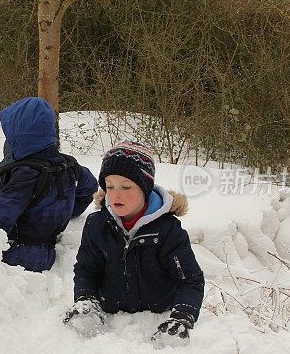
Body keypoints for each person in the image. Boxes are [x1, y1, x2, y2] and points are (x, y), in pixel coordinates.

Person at [63, 141, 205, 341]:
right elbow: (87, 269)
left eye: (126, 186)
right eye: (109, 187)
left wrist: (183, 315)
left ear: (145, 188)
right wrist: (85, 298)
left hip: (158, 318)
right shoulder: (97, 225)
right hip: (110, 326)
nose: (116, 194)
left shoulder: (167, 230)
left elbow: (190, 279)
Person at [0, 97, 98, 272]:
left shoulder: (26, 173)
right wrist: (69, 210)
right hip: (47, 248)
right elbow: (89, 188)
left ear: (19, 136)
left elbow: (2, 213)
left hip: (20, 253)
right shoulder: (68, 164)